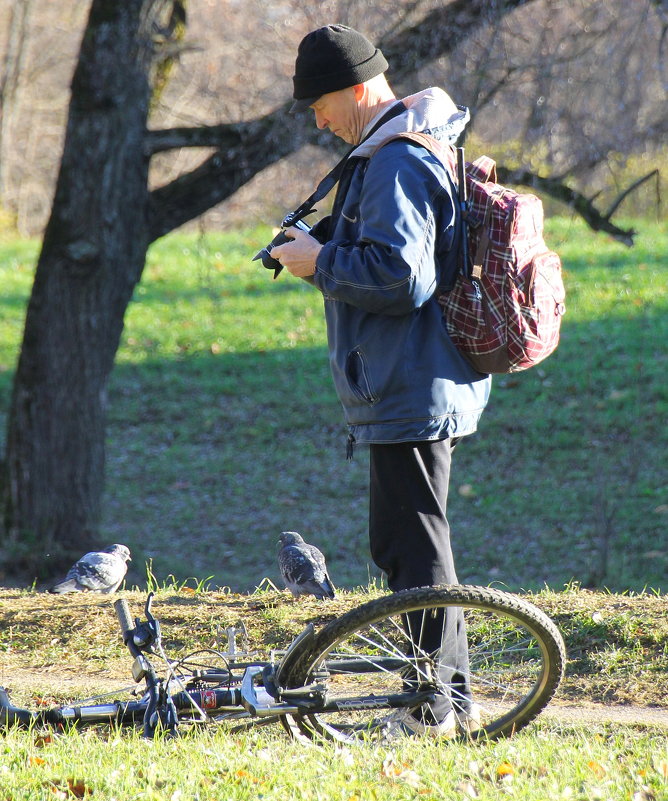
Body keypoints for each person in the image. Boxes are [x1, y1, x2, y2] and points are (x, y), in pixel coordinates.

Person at [271, 24, 492, 736]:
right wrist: (323, 245)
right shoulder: (396, 148)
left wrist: (319, 264)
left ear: (360, 88)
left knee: (415, 549)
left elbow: (402, 274)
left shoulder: (395, 158)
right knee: (413, 543)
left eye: (322, 103)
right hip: (415, 379)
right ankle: (447, 703)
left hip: (412, 381)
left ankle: (433, 708)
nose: (318, 119)